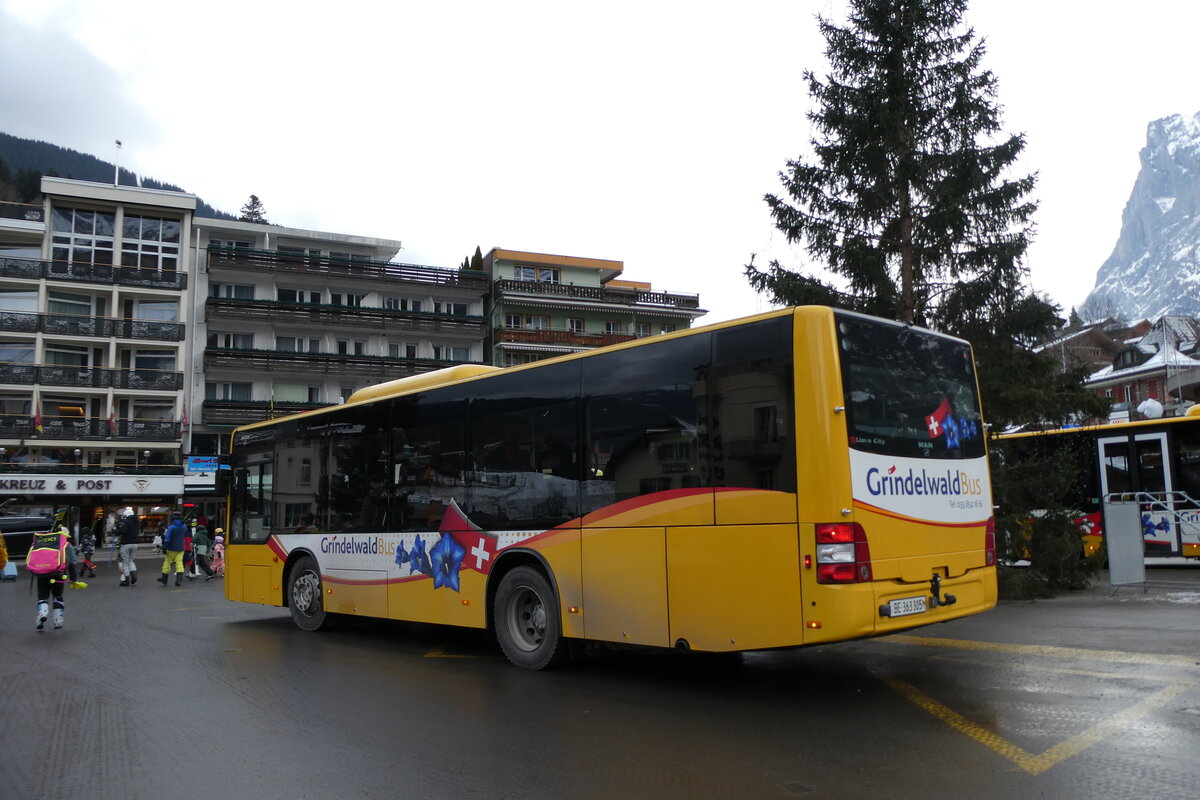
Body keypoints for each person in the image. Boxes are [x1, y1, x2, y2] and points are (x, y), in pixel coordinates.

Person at [30, 521, 84, 630]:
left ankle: (42, 613)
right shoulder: (67, 546)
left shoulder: (44, 543)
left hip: (42, 574)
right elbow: (72, 563)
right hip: (59, 575)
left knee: (43, 596)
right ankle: (58, 620)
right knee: (58, 595)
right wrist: (73, 579)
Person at [157, 511, 187, 586]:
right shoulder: (184, 526)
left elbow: (167, 538)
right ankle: (178, 580)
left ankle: (164, 579)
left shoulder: (171, 527)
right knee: (179, 563)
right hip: (181, 547)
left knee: (167, 563)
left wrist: (165, 547)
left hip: (171, 548)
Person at [115, 507, 141, 586]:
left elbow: (122, 531)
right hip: (135, 543)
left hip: (126, 544)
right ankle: (134, 576)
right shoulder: (137, 522)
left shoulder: (126, 521)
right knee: (131, 560)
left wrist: (115, 531)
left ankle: (126, 580)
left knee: (125, 562)